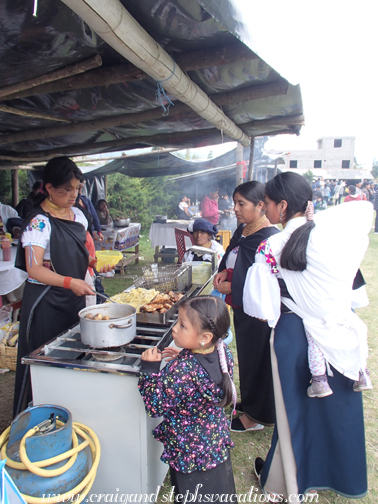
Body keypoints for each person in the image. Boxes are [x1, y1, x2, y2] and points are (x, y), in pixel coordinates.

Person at [243, 172, 371, 501]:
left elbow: (264, 308)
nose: (266, 209)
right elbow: (356, 296)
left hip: (294, 335)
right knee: (338, 408)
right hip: (340, 333)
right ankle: (344, 476)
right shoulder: (335, 237)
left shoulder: (271, 246)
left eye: (268, 203)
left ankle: (289, 482)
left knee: (294, 413)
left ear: (282, 206)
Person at [13, 156, 112, 417]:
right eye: (66, 189)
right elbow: (34, 269)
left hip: (73, 298)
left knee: (73, 354)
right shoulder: (38, 222)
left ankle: (70, 410)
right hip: (46, 301)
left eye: (77, 188)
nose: (73, 194)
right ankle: (41, 416)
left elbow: (76, 250)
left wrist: (92, 261)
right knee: (48, 362)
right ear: (47, 188)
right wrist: (70, 282)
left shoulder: (77, 215)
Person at [138, 296, 237, 502]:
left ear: (205, 337)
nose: (174, 328)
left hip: (189, 450)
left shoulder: (185, 370)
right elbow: (200, 372)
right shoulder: (221, 351)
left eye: (182, 325)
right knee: (218, 491)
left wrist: (149, 369)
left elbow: (155, 404)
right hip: (212, 443)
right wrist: (183, 355)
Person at [213, 181, 279, 432]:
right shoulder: (244, 229)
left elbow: (264, 280)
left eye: (242, 204)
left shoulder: (269, 237)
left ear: (260, 205)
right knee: (248, 358)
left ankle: (257, 417)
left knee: (259, 360)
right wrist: (223, 274)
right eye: (235, 203)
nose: (236, 209)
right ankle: (250, 403)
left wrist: (233, 285)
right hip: (242, 307)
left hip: (258, 311)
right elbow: (233, 254)